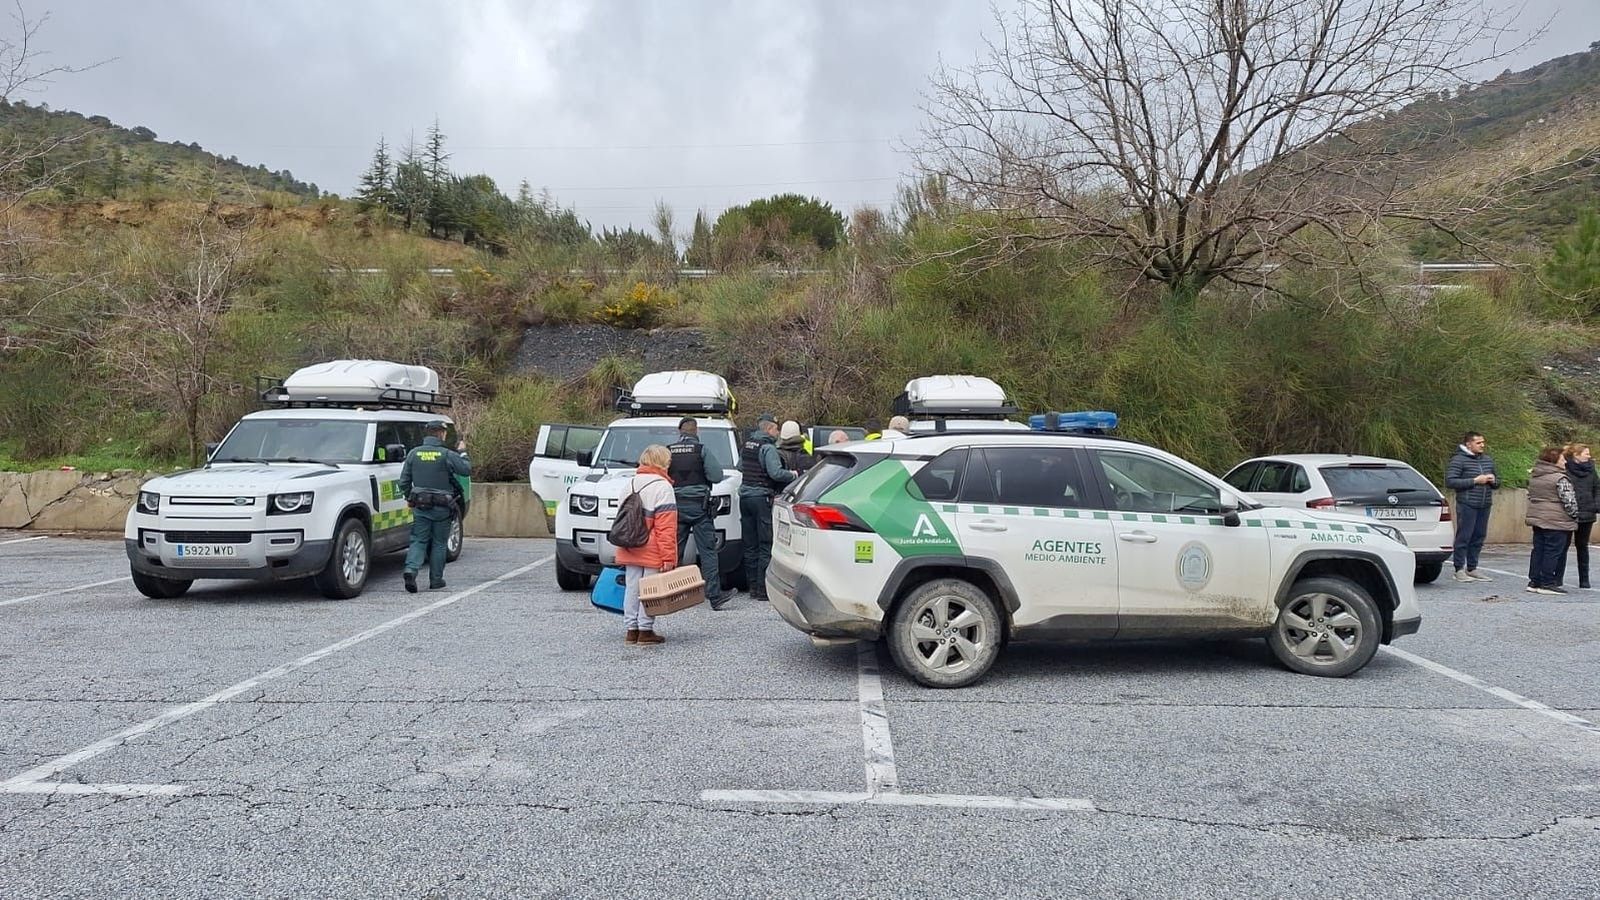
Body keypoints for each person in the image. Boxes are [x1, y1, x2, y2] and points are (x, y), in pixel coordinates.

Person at [615, 444, 679, 645]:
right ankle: (645, 630)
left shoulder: (630, 484)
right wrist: (669, 557)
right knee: (650, 588)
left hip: (629, 543)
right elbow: (666, 528)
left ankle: (631, 629)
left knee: (632, 586)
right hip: (652, 547)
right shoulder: (663, 487)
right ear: (663, 462)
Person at [399, 420, 470, 593]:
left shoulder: (414, 454)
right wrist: (462, 452)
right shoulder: (446, 454)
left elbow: (404, 481)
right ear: (441, 433)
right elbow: (466, 470)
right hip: (442, 507)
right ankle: (436, 580)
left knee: (418, 540)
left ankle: (411, 569)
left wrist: (409, 497)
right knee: (439, 543)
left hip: (420, 505)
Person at [669, 417, 731, 610]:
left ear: (679, 432)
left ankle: (671, 595)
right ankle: (714, 596)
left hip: (676, 507)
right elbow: (716, 476)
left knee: (674, 552)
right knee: (707, 552)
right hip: (699, 508)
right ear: (697, 431)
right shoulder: (702, 450)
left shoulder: (668, 450)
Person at [739, 413, 798, 600]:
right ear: (769, 428)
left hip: (744, 498)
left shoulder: (747, 445)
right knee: (765, 544)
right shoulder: (768, 448)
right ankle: (763, 591)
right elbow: (776, 473)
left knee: (750, 545)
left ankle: (752, 588)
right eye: (776, 428)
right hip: (761, 498)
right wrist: (794, 475)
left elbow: (740, 466)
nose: (778, 432)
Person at [1445, 431, 1498, 583]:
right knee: (1464, 536)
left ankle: (1472, 567)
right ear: (1468, 444)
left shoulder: (1487, 460)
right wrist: (1475, 480)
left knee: (1479, 536)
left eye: (1483, 442)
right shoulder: (1458, 460)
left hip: (1485, 503)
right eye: (1478, 443)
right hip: (1467, 503)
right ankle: (1459, 569)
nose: (1482, 445)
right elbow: (1451, 481)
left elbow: (1497, 481)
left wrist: (1493, 480)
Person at [1525, 446, 1578, 595]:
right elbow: (1569, 501)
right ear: (1554, 461)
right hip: (1557, 520)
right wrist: (1575, 516)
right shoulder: (1560, 479)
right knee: (1553, 551)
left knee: (1538, 550)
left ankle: (1534, 581)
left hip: (1538, 518)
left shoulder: (1535, 476)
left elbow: (1530, 495)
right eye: (1562, 459)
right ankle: (1548, 582)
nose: (1565, 462)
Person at [1565, 443, 1600, 589]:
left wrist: (1596, 505)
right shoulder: (1565, 468)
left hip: (1587, 512)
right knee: (1562, 546)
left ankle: (1584, 579)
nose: (1589, 456)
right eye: (1586, 453)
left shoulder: (1591, 470)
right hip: (1567, 513)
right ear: (1576, 455)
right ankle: (1556, 578)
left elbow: (1597, 487)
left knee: (1582, 547)